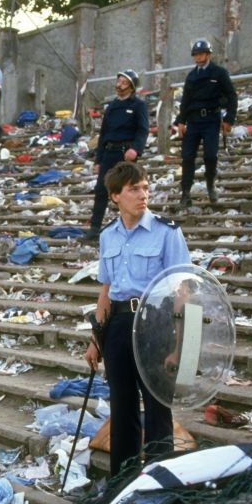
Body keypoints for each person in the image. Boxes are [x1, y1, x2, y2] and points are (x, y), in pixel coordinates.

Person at [84, 162, 191, 476]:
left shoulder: (167, 232)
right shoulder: (108, 236)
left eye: (145, 187)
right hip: (118, 324)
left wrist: (179, 345)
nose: (143, 195)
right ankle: (123, 483)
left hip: (155, 323)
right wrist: (96, 341)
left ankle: (158, 486)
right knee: (122, 407)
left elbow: (182, 290)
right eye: (134, 189)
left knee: (158, 409)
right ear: (116, 196)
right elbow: (106, 289)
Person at [86, 69, 148, 242]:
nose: (119, 85)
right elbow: (104, 133)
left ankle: (133, 229)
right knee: (101, 190)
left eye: (124, 82)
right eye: (119, 81)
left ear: (132, 86)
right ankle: (94, 228)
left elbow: (143, 130)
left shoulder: (138, 105)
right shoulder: (112, 106)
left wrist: (136, 148)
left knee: (127, 191)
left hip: (126, 153)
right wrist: (98, 159)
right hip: (109, 152)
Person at [175, 39, 237, 209]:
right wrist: (181, 121)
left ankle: (210, 185)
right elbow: (185, 100)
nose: (198, 57)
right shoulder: (192, 76)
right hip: (194, 120)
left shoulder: (219, 73)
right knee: (187, 157)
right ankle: (185, 193)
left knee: (210, 155)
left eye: (201, 53)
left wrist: (229, 119)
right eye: (196, 54)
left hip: (211, 119)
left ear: (208, 54)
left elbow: (231, 96)